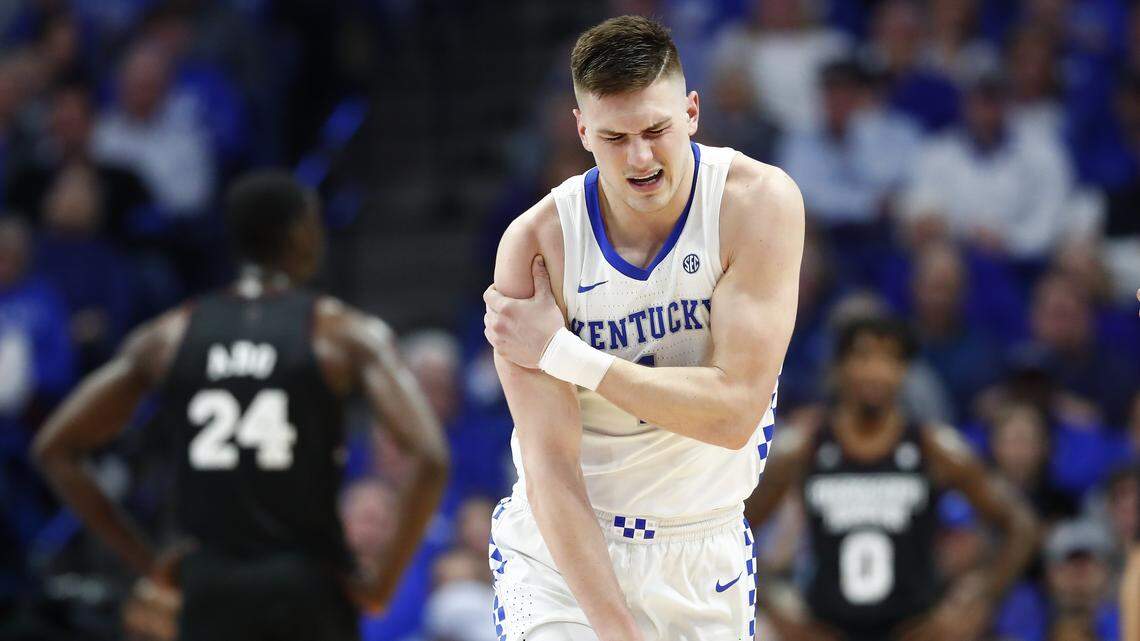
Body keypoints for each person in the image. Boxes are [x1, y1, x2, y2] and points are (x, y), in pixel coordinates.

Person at [481, 15, 803, 641]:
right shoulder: (538, 244)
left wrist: (564, 355)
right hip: (565, 556)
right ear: (582, 131)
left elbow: (733, 412)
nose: (640, 157)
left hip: (702, 548)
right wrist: (617, 632)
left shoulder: (755, 204)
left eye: (656, 130)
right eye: (615, 137)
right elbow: (550, 470)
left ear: (692, 112)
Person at [31, 171, 449, 641]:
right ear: (300, 233)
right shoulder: (339, 332)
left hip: (209, 585)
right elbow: (429, 457)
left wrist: (146, 561)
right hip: (307, 582)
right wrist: (381, 583)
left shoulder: (170, 335)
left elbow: (55, 448)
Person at [743, 315, 1038, 641]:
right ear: (839, 368)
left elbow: (1020, 525)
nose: (876, 371)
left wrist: (979, 597)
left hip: (915, 629)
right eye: (864, 356)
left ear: (904, 371)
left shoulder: (933, 447)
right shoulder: (805, 447)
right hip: (824, 627)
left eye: (890, 359)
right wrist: (772, 600)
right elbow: (737, 527)